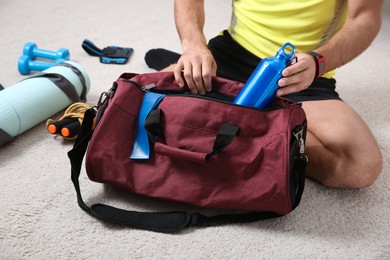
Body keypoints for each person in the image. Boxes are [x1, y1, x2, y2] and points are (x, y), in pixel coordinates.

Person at [162, 0, 383, 189]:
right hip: (231, 55)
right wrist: (194, 46)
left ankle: (234, 120)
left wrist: (318, 62)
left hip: (302, 72)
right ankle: (263, 127)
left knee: (358, 166)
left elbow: (365, 18)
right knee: (140, 107)